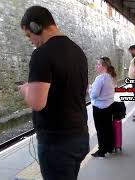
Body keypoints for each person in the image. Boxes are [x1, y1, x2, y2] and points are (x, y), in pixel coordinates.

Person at [18, 6, 89, 180]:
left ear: (36, 27)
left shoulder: (41, 54)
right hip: (80, 135)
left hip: (57, 143)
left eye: (29, 35)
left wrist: (25, 88)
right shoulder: (78, 51)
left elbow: (37, 102)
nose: (31, 41)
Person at [89, 57, 116, 157]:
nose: (96, 66)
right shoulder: (111, 76)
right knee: (108, 127)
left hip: (99, 108)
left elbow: (94, 95)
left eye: (98, 64)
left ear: (104, 66)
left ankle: (101, 151)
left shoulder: (100, 78)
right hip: (109, 106)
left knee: (100, 129)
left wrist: (90, 88)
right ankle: (110, 147)